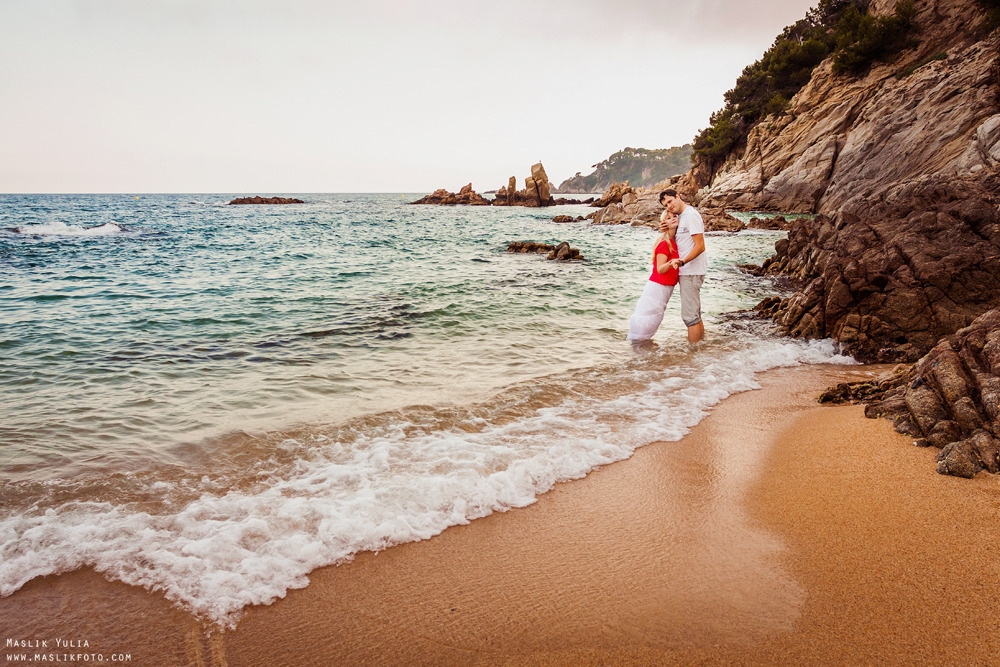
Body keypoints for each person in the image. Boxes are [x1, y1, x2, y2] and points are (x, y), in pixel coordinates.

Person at [658, 189, 706, 343]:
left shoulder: (690, 215)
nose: (669, 206)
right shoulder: (682, 217)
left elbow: (700, 246)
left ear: (678, 196)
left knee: (689, 317)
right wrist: (666, 231)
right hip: (688, 271)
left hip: (691, 271)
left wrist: (683, 262)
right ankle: (701, 350)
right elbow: (680, 243)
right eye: (666, 205)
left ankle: (693, 357)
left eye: (670, 201)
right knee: (695, 315)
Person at [626, 214, 680, 341]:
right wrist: (671, 263)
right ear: (663, 223)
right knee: (647, 321)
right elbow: (660, 269)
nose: (673, 218)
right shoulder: (664, 243)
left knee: (653, 320)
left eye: (674, 216)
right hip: (658, 287)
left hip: (664, 287)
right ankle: (635, 355)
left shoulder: (673, 241)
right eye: (668, 218)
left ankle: (643, 355)